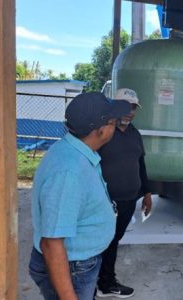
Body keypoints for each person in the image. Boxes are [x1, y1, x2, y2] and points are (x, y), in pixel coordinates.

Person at [29, 92, 132, 300]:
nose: (116, 127)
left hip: (78, 262)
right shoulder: (69, 172)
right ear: (101, 130)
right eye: (113, 122)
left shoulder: (76, 151)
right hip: (72, 266)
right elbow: (52, 243)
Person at [96, 88, 152, 298]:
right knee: (102, 240)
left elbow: (141, 164)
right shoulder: (102, 132)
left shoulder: (134, 133)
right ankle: (102, 282)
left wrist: (147, 193)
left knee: (113, 240)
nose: (130, 112)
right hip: (105, 200)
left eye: (133, 107)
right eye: (125, 107)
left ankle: (104, 282)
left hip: (129, 199)